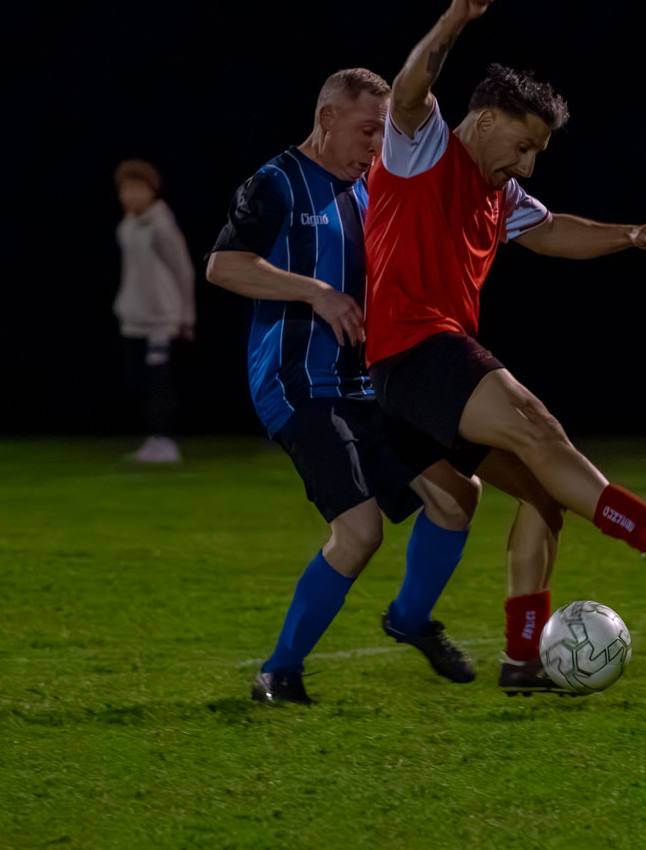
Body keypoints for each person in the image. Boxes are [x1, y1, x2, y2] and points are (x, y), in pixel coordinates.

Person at [363, 0, 646, 692]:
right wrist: (454, 19)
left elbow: (555, 230)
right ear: (486, 118)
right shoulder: (421, 149)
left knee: (544, 499)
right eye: (523, 145)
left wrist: (630, 235)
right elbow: (408, 90)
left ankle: (522, 661)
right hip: (414, 352)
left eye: (537, 154)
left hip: (424, 372)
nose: (527, 165)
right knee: (539, 426)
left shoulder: (500, 195)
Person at [206, 68, 486, 705]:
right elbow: (223, 265)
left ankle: (410, 620)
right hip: (299, 384)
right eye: (367, 130)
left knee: (458, 496)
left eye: (383, 133)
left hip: (366, 385)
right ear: (327, 118)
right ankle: (279, 673)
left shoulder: (372, 187)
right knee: (360, 532)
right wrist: (316, 292)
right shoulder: (277, 182)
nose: (377, 145)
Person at [113, 159, 195, 464]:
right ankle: (153, 439)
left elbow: (182, 269)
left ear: (152, 190)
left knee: (159, 381)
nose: (132, 194)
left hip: (161, 318)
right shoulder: (127, 224)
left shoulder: (161, 224)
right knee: (137, 381)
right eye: (126, 188)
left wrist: (186, 315)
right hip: (133, 318)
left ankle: (165, 442)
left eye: (138, 187)